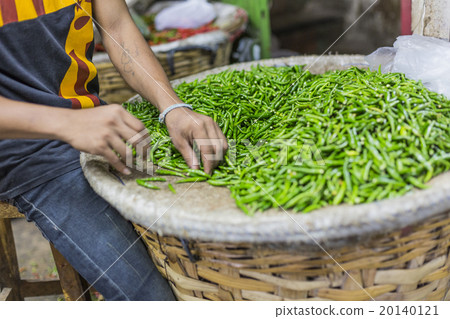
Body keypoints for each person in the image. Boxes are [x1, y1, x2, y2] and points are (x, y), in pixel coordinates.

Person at [0, 0, 227, 300]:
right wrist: (67, 122)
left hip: (91, 123)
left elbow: (117, 26)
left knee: (201, 234)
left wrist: (172, 106)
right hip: (24, 152)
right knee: (151, 298)